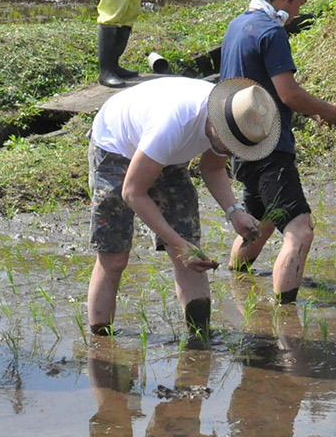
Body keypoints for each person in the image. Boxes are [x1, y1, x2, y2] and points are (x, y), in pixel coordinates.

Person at [86, 75, 279, 337]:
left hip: (168, 154)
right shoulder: (173, 123)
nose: (230, 152)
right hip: (116, 146)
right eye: (229, 145)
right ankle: (101, 345)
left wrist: (234, 212)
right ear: (215, 122)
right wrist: (177, 244)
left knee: (190, 252)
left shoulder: (239, 117)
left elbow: (211, 167)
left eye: (237, 148)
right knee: (114, 257)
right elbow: (132, 192)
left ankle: (200, 338)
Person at [219, 0, 336, 304]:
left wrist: (307, 112)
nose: (300, 12)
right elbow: (288, 92)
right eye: (300, 3)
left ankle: (237, 287)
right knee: (300, 230)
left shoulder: (237, 25)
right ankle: (285, 319)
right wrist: (327, 110)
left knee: (261, 220)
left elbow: (260, 89)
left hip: (241, 142)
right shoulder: (271, 31)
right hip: (270, 148)